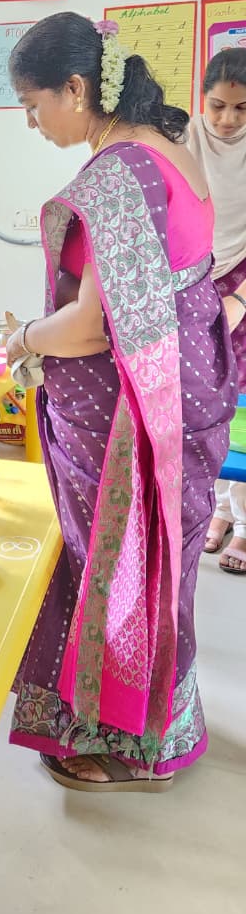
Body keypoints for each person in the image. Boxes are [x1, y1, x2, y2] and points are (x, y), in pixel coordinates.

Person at [5, 12, 236, 792]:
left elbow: (93, 326)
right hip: (189, 386)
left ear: (76, 88)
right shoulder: (170, 145)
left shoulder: (117, 176)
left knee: (117, 571)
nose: (32, 122)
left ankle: (118, 742)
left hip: (130, 419)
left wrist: (22, 339)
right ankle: (158, 726)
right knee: (164, 569)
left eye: (33, 104)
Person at [188, 49, 246, 572]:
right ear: (201, 99)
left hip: (243, 280)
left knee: (243, 406)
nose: (227, 119)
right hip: (195, 277)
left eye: (242, 108)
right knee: (207, 403)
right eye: (218, 106)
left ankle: (244, 521)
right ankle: (220, 509)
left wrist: (240, 298)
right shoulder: (183, 137)